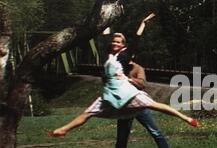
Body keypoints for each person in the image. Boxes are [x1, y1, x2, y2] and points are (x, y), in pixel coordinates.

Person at [49, 12, 199, 138]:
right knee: (88, 113)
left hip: (125, 91)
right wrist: (106, 19)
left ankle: (186, 118)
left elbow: (136, 39)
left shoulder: (125, 55)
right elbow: (105, 36)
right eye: (114, 41)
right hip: (109, 93)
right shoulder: (109, 54)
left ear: (123, 45)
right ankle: (63, 129)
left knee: (154, 105)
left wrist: (143, 23)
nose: (115, 43)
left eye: (118, 42)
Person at [112, 62, 181, 148]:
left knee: (155, 132)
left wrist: (127, 79)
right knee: (122, 138)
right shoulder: (117, 67)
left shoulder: (138, 68)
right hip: (126, 107)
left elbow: (142, 84)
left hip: (139, 106)